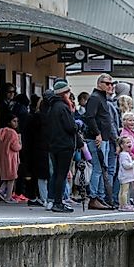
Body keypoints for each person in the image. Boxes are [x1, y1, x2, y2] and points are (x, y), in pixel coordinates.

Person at [82, 74, 115, 210]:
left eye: (111, 84)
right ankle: (94, 197)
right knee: (98, 168)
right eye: (107, 83)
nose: (110, 86)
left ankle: (100, 197)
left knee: (103, 169)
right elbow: (89, 117)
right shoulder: (95, 98)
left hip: (104, 138)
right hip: (97, 138)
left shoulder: (101, 98)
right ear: (99, 83)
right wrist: (97, 133)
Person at [45, 80, 77, 213]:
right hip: (64, 145)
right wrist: (78, 125)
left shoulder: (51, 107)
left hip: (54, 145)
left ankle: (54, 200)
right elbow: (70, 127)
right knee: (61, 174)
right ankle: (59, 202)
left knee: (57, 173)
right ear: (64, 93)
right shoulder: (63, 107)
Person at [0, 115, 22, 203]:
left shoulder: (3, 132)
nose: (16, 123)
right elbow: (16, 147)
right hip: (11, 158)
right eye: (14, 121)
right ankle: (8, 196)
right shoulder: (13, 133)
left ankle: (1, 191)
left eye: (17, 121)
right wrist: (20, 143)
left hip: (4, 157)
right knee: (12, 177)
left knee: (8, 177)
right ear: (9, 122)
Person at [116, 135, 134, 211]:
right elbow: (126, 165)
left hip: (126, 176)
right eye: (127, 142)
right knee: (124, 191)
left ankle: (121, 204)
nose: (130, 144)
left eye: (130, 142)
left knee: (122, 191)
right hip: (125, 176)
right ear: (122, 146)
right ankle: (124, 205)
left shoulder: (126, 154)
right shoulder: (123, 155)